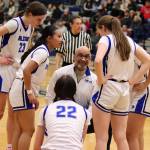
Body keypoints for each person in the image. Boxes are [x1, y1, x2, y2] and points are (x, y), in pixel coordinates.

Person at [92, 15, 150, 150]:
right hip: (124, 90)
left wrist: (100, 79)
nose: (99, 33)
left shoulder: (105, 39)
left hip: (108, 87)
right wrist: (133, 80)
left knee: (102, 137)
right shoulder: (128, 40)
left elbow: (97, 60)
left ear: (103, 28)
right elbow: (148, 60)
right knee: (121, 137)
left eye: (99, 30)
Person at [0, 1, 47, 149]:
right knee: (0, 111)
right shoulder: (14, 24)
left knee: (13, 113)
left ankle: (9, 146)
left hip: (16, 69)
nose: (40, 23)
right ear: (30, 14)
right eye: (39, 19)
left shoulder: (30, 28)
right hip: (4, 69)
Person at [9, 25, 62, 150]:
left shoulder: (42, 50)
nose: (61, 39)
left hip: (18, 88)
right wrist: (30, 93)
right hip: (23, 88)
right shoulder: (42, 52)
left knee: (20, 129)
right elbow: (27, 71)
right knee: (28, 130)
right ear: (49, 38)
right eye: (58, 36)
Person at [34, 75, 90, 150]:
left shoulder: (46, 110)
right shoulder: (85, 112)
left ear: (56, 90)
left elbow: (37, 145)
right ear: (74, 91)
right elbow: (80, 141)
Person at [127, 58, 150, 150]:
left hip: (141, 93)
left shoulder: (134, 49)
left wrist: (145, 84)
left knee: (130, 134)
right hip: (130, 93)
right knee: (137, 133)